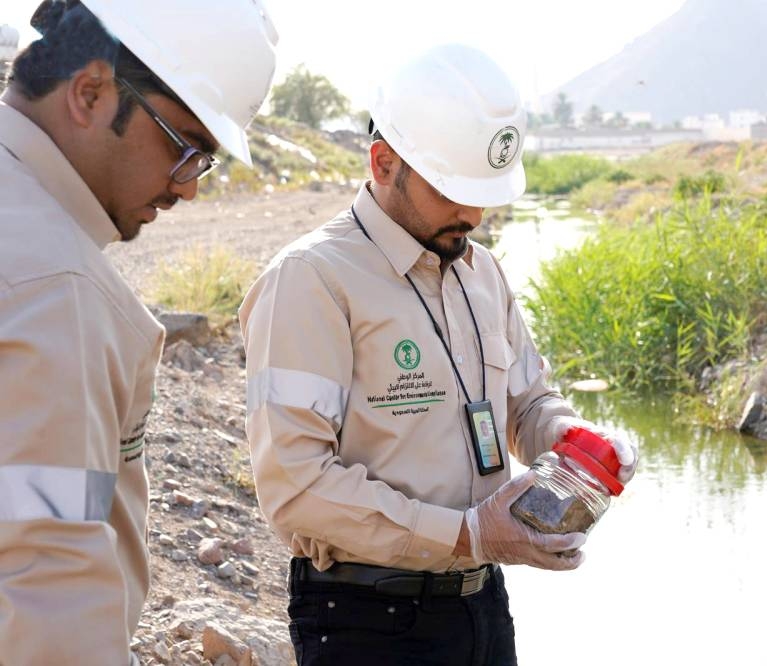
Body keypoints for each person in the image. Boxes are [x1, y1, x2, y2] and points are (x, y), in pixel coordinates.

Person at [241, 44, 638, 665]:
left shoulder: (481, 272)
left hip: (482, 605)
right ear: (382, 163)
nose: (473, 214)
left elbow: (529, 402)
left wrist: (572, 438)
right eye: (452, 190)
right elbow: (295, 484)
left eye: (485, 192)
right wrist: (467, 533)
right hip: (368, 621)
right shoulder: (311, 280)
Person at [0, 1, 278, 663]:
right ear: (92, 91)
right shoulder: (58, 290)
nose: (188, 191)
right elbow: (49, 595)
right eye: (185, 148)